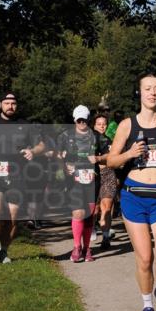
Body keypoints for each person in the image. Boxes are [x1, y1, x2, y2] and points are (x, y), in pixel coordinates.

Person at [106, 75, 156, 311]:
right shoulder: (127, 126)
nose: (153, 93)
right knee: (145, 258)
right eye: (147, 89)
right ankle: (147, 306)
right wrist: (129, 153)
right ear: (139, 93)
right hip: (134, 197)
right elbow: (110, 161)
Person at [0, 92, 45, 264]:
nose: (10, 106)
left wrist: (32, 151)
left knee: (13, 216)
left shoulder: (24, 125)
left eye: (13, 103)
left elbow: (42, 145)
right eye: (7, 103)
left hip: (16, 174)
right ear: (1, 105)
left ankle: (4, 251)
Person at [57, 106, 105, 263]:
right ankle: (77, 247)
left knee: (89, 215)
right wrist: (64, 165)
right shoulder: (65, 136)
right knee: (78, 213)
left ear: (89, 119)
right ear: (74, 120)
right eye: (79, 120)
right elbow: (56, 154)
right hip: (74, 180)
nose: (82, 122)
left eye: (85, 119)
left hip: (92, 179)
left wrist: (98, 159)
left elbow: (111, 153)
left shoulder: (97, 136)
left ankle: (87, 248)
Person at [92, 113, 117, 249]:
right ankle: (92, 228)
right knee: (94, 210)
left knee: (106, 207)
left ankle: (106, 237)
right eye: (99, 124)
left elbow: (114, 157)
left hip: (108, 174)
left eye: (104, 124)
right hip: (93, 175)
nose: (102, 126)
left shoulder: (110, 141)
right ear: (94, 125)